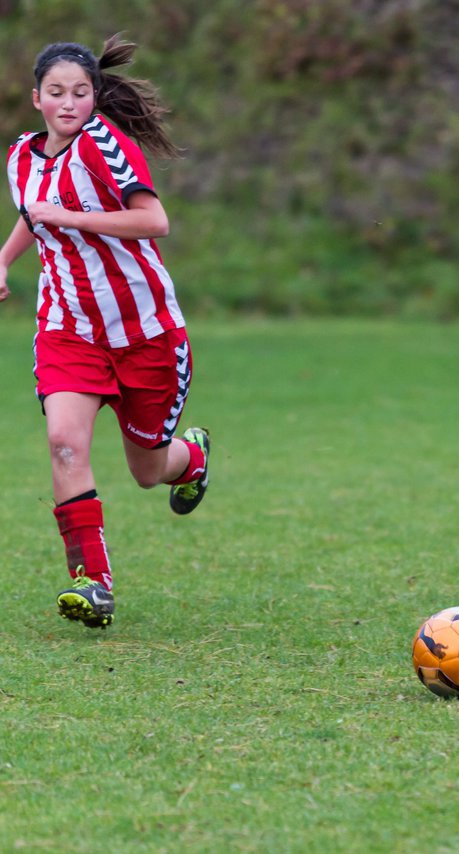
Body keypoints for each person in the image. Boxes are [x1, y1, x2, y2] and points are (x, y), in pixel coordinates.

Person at [0, 35, 211, 629]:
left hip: (144, 332)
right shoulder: (19, 156)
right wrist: (6, 257)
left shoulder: (106, 148)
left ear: (94, 97)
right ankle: (91, 582)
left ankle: (189, 457)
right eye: (57, 92)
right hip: (68, 328)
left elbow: (154, 220)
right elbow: (32, 212)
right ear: (36, 97)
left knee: (147, 470)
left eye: (81, 92)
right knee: (64, 443)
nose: (69, 103)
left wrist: (70, 216)